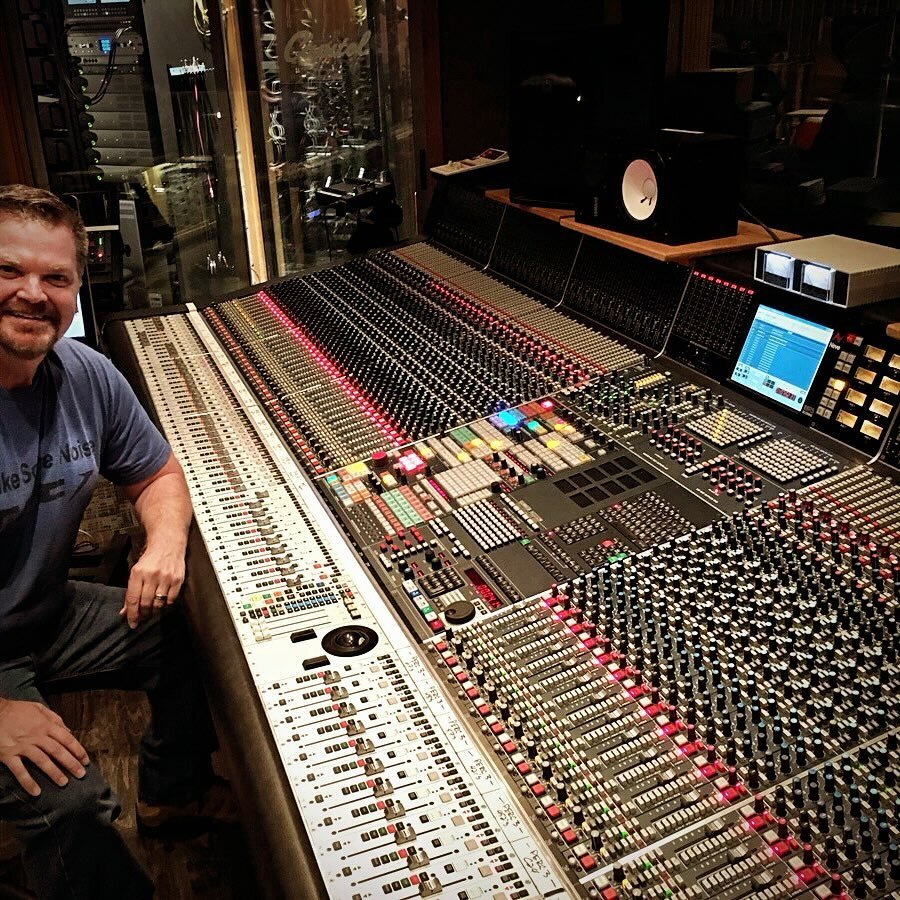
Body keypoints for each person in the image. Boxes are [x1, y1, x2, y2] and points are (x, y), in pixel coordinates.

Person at [0, 184, 234, 899]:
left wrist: (163, 545)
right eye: (9, 271)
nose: (33, 294)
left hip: (44, 614)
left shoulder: (86, 375)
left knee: (182, 631)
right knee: (71, 802)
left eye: (56, 278)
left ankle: (172, 793)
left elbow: (157, 472)